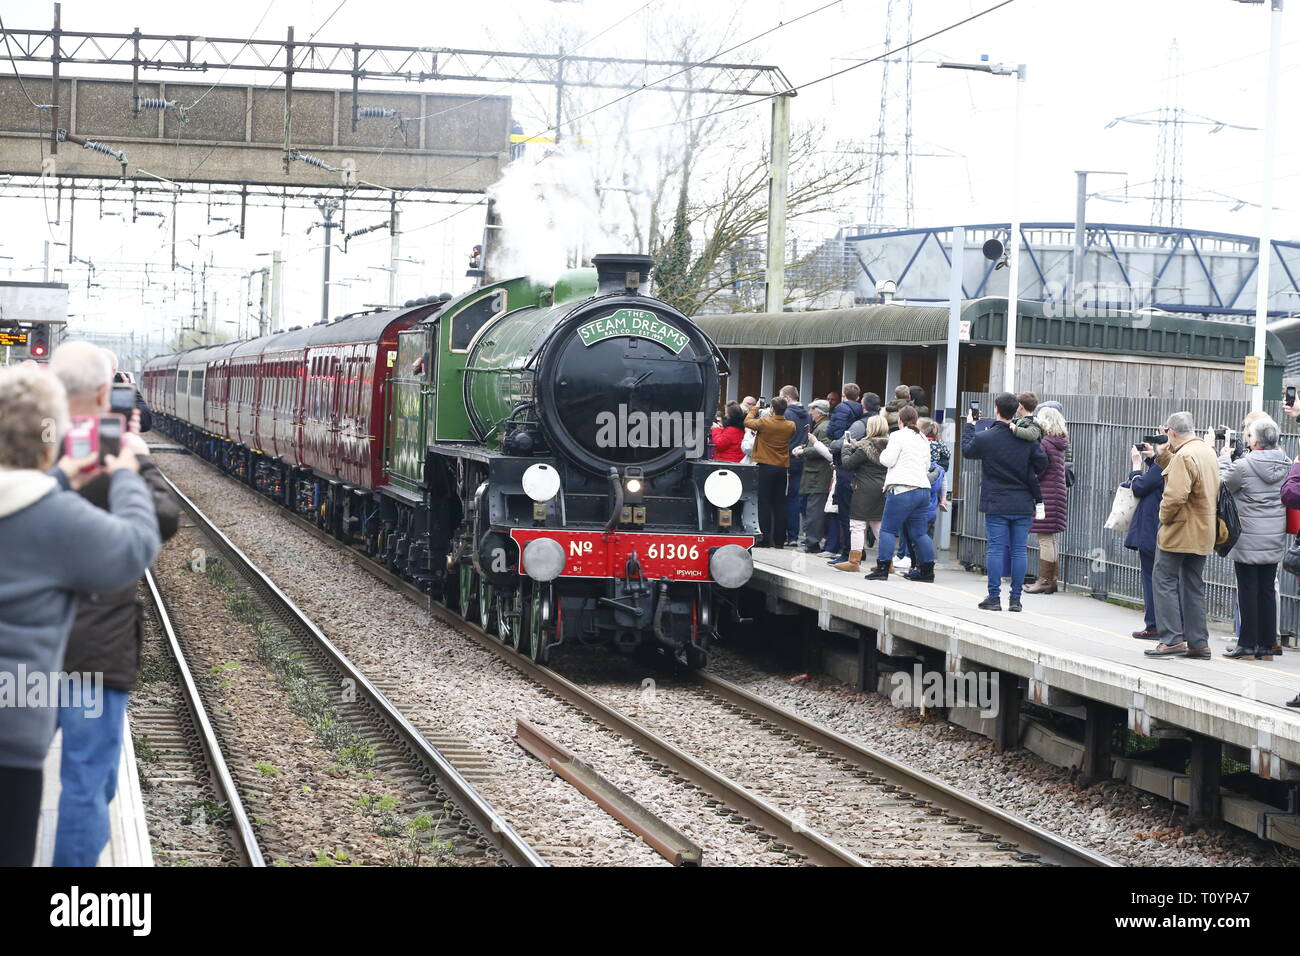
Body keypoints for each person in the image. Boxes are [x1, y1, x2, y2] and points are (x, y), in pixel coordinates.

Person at [0, 366, 160, 867]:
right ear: (51, 439)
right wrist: (130, 475)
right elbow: (138, 544)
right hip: (15, 732)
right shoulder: (56, 518)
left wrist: (62, 477)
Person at [49, 342, 181, 866]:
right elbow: (162, 520)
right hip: (94, 652)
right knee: (86, 780)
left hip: (24, 644)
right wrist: (138, 461)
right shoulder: (114, 449)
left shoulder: (27, 442)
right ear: (108, 393)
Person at [961, 392, 1048, 612]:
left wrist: (971, 425)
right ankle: (1016, 600)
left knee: (996, 550)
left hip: (996, 501)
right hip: (1022, 501)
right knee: (1019, 550)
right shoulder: (1026, 439)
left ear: (996, 411)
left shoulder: (986, 438)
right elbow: (1042, 463)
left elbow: (967, 451)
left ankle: (994, 597)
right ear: (1016, 409)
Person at [1144, 413, 1220, 659]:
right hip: (1204, 529)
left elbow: (1175, 495)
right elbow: (1181, 471)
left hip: (1179, 530)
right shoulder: (1206, 451)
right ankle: (1199, 643)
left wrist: (1163, 518)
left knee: (1164, 580)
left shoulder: (1185, 456)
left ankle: (1172, 639)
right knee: (1193, 585)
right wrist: (1165, 453)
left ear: (1172, 433)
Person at [1217, 416, 1288, 661]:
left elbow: (1223, 485)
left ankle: (1246, 644)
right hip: (1274, 533)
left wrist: (1224, 459)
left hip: (1248, 534)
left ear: (1256, 441)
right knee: (1267, 588)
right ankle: (1267, 645)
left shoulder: (1244, 465)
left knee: (1247, 589)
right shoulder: (1286, 464)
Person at [865, 405, 936, 582]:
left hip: (902, 490)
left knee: (888, 529)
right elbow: (927, 466)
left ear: (900, 420)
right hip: (922, 489)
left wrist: (882, 454)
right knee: (920, 533)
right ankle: (927, 571)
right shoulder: (922, 437)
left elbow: (888, 460)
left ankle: (882, 569)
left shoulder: (897, 435)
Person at [1024, 406, 1070, 595]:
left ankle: (1044, 580)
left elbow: (1039, 470)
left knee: (1044, 538)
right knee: (1052, 538)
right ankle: (1052, 579)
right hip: (1058, 493)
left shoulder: (1044, 443)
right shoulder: (1059, 443)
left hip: (1045, 494)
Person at [835, 414, 890, 572]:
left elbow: (848, 464)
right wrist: (855, 447)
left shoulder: (865, 446)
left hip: (864, 489)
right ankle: (887, 562)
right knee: (878, 524)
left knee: (857, 524)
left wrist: (846, 448)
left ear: (870, 428)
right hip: (883, 488)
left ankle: (854, 562)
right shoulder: (891, 445)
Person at [1124, 437, 1166, 639]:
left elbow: (1140, 487)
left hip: (1151, 529)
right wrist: (1152, 459)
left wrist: (1136, 467)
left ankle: (1154, 625)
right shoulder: (1171, 464)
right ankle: (1172, 626)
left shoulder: (1162, 467)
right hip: (1163, 531)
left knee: (1151, 579)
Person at [745, 397, 795, 549]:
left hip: (765, 466)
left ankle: (765, 539)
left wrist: (756, 408)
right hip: (782, 467)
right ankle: (779, 540)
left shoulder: (764, 423)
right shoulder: (790, 425)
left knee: (764, 503)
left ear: (772, 409)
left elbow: (748, 421)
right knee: (780, 503)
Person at [825, 384, 865, 560]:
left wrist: (835, 444)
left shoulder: (841, 409)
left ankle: (847, 551)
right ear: (858, 397)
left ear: (843, 395)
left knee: (844, 511)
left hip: (843, 462)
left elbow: (833, 432)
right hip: (860, 466)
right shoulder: (863, 414)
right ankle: (858, 550)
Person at [794, 400, 833, 554]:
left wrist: (804, 452)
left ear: (818, 412)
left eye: (812, 410)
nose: (810, 413)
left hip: (818, 475)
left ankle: (812, 543)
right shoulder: (823, 425)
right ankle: (812, 541)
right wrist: (803, 447)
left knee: (814, 511)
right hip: (816, 474)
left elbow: (822, 449)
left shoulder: (823, 427)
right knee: (813, 509)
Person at [779, 386, 811, 546]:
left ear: (786, 398)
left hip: (786, 459)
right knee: (795, 498)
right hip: (802, 459)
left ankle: (786, 534)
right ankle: (793, 535)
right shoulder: (808, 415)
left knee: (784, 498)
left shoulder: (787, 414)